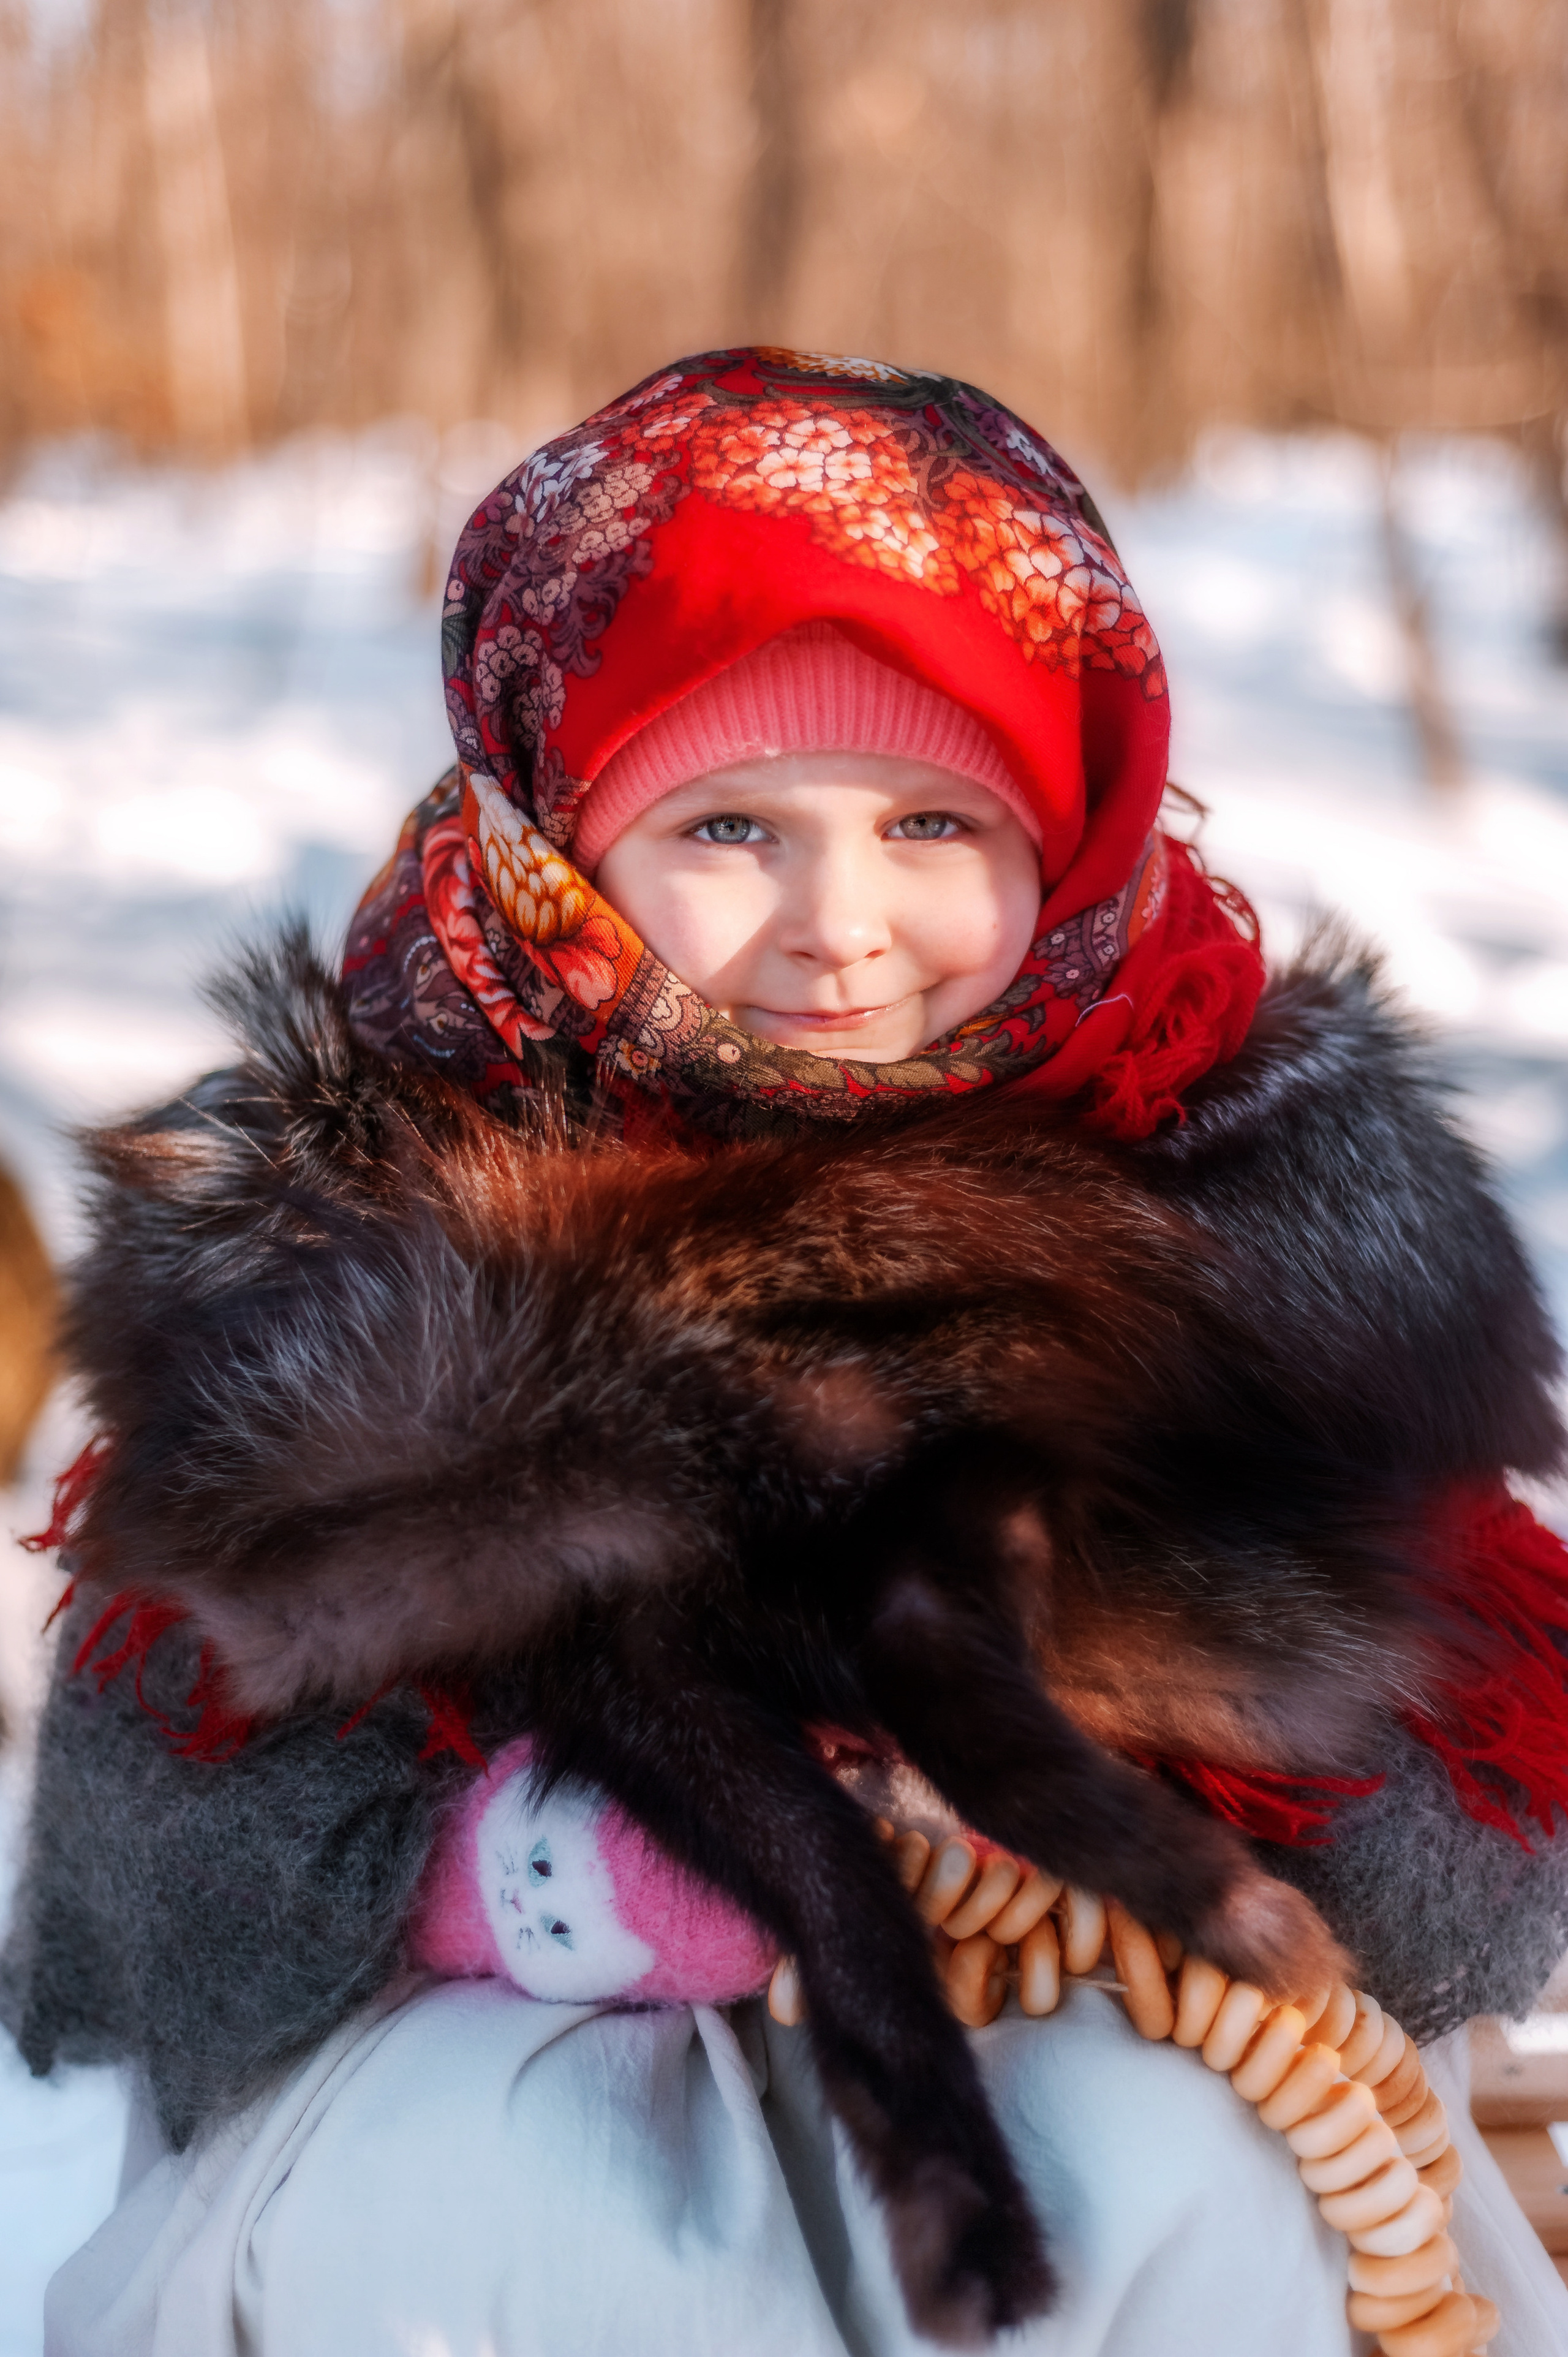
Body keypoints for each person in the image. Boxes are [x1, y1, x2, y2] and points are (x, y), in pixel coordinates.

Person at [6, 347, 1568, 2355]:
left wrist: (1143, 1801)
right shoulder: (374, 1195)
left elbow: (1496, 1843)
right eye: (733, 828)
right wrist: (515, 1882)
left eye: (934, 822)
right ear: (560, 843)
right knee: (513, 2202)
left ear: (1071, 838)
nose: (843, 927)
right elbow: (142, 1854)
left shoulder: (1247, 1190)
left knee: (1157, 2161)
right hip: (517, 2082)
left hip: (1098, 2025)